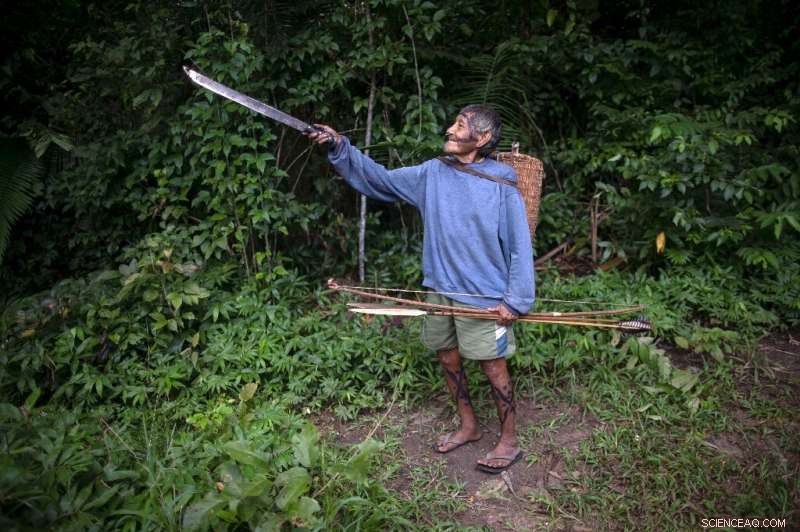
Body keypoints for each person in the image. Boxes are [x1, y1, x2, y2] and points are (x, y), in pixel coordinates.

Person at [308, 105, 535, 474]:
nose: (449, 129)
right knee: (447, 357)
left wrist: (517, 299)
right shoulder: (433, 173)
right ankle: (469, 425)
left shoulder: (502, 183)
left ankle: (508, 441)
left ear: (483, 139)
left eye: (460, 126)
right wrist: (340, 147)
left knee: (493, 367)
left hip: (483, 296)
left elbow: (518, 246)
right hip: (438, 287)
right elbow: (379, 180)